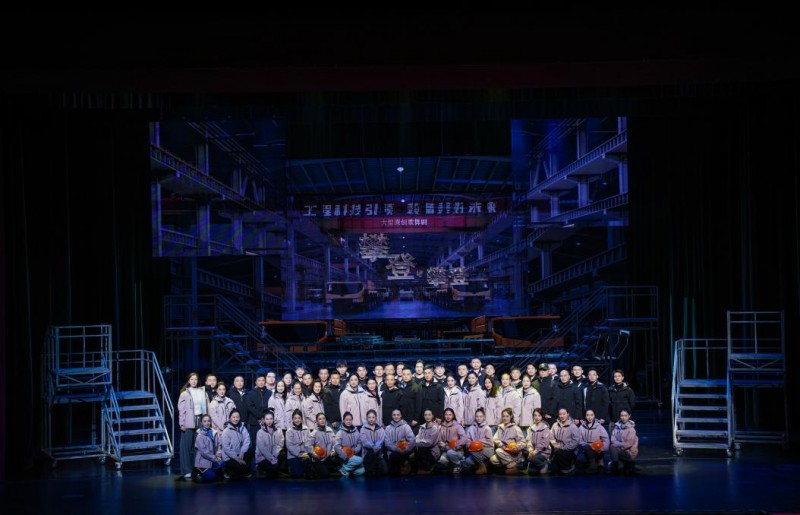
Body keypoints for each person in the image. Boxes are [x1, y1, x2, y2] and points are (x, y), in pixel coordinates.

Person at [177, 372, 207, 480]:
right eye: (192, 379)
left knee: (198, 446)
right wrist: (182, 423)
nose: (194, 381)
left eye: (195, 379)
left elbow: (205, 407)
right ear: (188, 381)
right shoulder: (184, 393)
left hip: (200, 420)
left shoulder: (202, 391)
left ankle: (197, 469)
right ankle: (186, 470)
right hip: (188, 421)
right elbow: (181, 410)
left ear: (198, 381)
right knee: (186, 447)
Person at [245, 375, 272, 469]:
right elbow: (250, 406)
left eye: (263, 380)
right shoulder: (250, 393)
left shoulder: (269, 393)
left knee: (267, 443)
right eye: (259, 380)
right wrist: (260, 416)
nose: (261, 382)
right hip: (254, 422)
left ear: (265, 382)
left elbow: (271, 406)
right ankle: (257, 464)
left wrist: (266, 417)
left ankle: (267, 463)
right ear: (256, 382)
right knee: (256, 444)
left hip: (267, 422)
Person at [490, 407, 525, 475]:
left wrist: (517, 447)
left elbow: (523, 442)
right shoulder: (500, 427)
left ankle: (512, 465)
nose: (505, 418)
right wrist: (502, 445)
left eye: (507, 416)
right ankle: (513, 466)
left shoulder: (516, 428)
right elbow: (495, 439)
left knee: (498, 451)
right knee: (493, 459)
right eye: (503, 416)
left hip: (514, 453)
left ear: (511, 416)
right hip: (504, 452)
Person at [384, 408, 416, 476]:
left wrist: (406, 449)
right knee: (392, 468)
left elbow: (412, 440)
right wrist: (396, 449)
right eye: (394, 415)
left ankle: (405, 464)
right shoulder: (388, 428)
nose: (396, 416)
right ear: (392, 416)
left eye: (398, 415)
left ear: (401, 416)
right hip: (392, 452)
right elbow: (387, 443)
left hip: (404, 451)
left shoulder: (406, 426)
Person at [436, 407, 468, 474]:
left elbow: (464, 438)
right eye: (446, 414)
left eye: (450, 415)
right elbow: (439, 439)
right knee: (442, 461)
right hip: (446, 449)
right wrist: (441, 444)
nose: (448, 416)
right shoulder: (441, 426)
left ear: (453, 416)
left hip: (456, 450)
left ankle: (458, 464)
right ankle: (453, 464)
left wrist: (456, 446)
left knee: (450, 453)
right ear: (444, 416)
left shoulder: (457, 426)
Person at [221, 410, 251, 480]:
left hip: (240, 454)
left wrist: (242, 452)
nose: (236, 419)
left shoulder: (242, 428)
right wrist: (236, 458)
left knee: (250, 452)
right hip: (230, 457)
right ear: (230, 418)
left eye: (237, 417)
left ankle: (242, 470)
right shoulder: (226, 431)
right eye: (233, 417)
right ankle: (227, 470)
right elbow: (226, 448)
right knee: (238, 472)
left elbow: (247, 440)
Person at [255, 410, 285, 479]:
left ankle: (273, 471)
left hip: (274, 456)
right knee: (273, 469)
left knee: (283, 454)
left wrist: (274, 456)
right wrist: (271, 458)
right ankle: (262, 469)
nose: (269, 421)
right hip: (263, 457)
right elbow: (262, 448)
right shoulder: (260, 432)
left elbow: (280, 444)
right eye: (267, 419)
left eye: (271, 419)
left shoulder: (279, 431)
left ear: (274, 419)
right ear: (263, 420)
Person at [549, 408, 580, 474]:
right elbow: (551, 436)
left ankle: (568, 467)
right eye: (560, 414)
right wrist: (555, 445)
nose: (562, 416)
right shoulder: (555, 425)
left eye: (564, 414)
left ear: (568, 414)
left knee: (558, 454)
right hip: (557, 449)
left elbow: (576, 441)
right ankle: (562, 466)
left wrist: (563, 448)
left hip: (569, 450)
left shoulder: (573, 426)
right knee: (552, 469)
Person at [193, 414, 222, 483]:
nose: (207, 423)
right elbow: (204, 452)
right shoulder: (200, 436)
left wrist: (218, 454)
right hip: (203, 462)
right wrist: (215, 458)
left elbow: (219, 445)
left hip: (212, 459)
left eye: (208, 421)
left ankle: (212, 471)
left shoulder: (214, 433)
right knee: (211, 477)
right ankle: (197, 472)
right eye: (205, 421)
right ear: (201, 423)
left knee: (223, 463)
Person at [334, 412, 365, 478]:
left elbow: (359, 443)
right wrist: (345, 456)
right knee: (360, 460)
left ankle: (348, 470)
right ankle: (343, 468)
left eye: (350, 420)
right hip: (345, 457)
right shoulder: (340, 432)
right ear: (343, 420)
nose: (348, 421)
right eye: (347, 420)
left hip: (353, 454)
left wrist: (354, 451)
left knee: (362, 471)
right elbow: (336, 446)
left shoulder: (356, 431)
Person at [464, 407, 493, 475]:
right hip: (474, 450)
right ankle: (483, 465)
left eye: (481, 416)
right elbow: (467, 440)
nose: (479, 418)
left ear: (484, 417)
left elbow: (490, 442)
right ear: (475, 417)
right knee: (468, 461)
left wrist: (477, 443)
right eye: (477, 416)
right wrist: (470, 445)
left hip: (486, 449)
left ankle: (482, 466)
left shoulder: (487, 428)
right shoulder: (471, 428)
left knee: (474, 450)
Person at [608, 409, 639, 474]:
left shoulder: (631, 429)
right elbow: (613, 439)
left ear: (629, 416)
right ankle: (616, 465)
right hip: (618, 450)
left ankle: (615, 467)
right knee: (612, 447)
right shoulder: (616, 427)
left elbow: (629, 444)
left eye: (625, 416)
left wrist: (617, 445)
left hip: (628, 453)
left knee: (613, 447)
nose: (623, 418)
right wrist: (618, 445)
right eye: (622, 416)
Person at [286, 409, 313, 479]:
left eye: (299, 418)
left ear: (301, 419)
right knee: (297, 475)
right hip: (293, 456)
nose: (297, 420)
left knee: (307, 461)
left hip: (304, 454)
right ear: (292, 419)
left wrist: (307, 453)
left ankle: (306, 470)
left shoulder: (306, 429)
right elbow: (289, 446)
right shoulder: (289, 431)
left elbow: (309, 443)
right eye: (295, 418)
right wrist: (298, 454)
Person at [309, 413, 338, 479]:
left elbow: (335, 442)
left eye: (323, 418)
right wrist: (315, 456)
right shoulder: (314, 432)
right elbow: (308, 446)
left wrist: (333, 451)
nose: (322, 420)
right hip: (318, 459)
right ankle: (312, 468)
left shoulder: (330, 430)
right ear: (317, 421)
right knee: (325, 475)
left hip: (328, 458)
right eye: (320, 419)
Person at [525, 408, 552, 475]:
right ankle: (538, 464)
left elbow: (544, 444)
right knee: (531, 471)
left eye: (539, 415)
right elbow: (528, 440)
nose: (537, 417)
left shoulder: (545, 428)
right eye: (535, 415)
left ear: (542, 417)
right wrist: (530, 450)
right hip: (534, 452)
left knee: (531, 458)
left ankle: (545, 464)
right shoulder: (531, 428)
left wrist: (535, 452)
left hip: (543, 452)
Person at [360, 409, 385, 477]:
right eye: (369, 417)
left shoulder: (381, 429)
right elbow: (364, 442)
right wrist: (372, 447)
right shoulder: (363, 429)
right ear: (367, 418)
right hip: (367, 453)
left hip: (378, 453)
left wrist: (376, 447)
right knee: (371, 471)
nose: (371, 419)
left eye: (373, 417)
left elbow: (381, 441)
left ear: (376, 418)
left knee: (384, 471)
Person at [414, 409, 440, 474]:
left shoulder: (434, 427)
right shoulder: (422, 427)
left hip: (433, 452)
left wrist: (418, 441)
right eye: (425, 415)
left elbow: (429, 443)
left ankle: (429, 467)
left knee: (420, 448)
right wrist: (420, 441)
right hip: (424, 450)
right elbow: (417, 438)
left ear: (432, 416)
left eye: (429, 415)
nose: (427, 416)